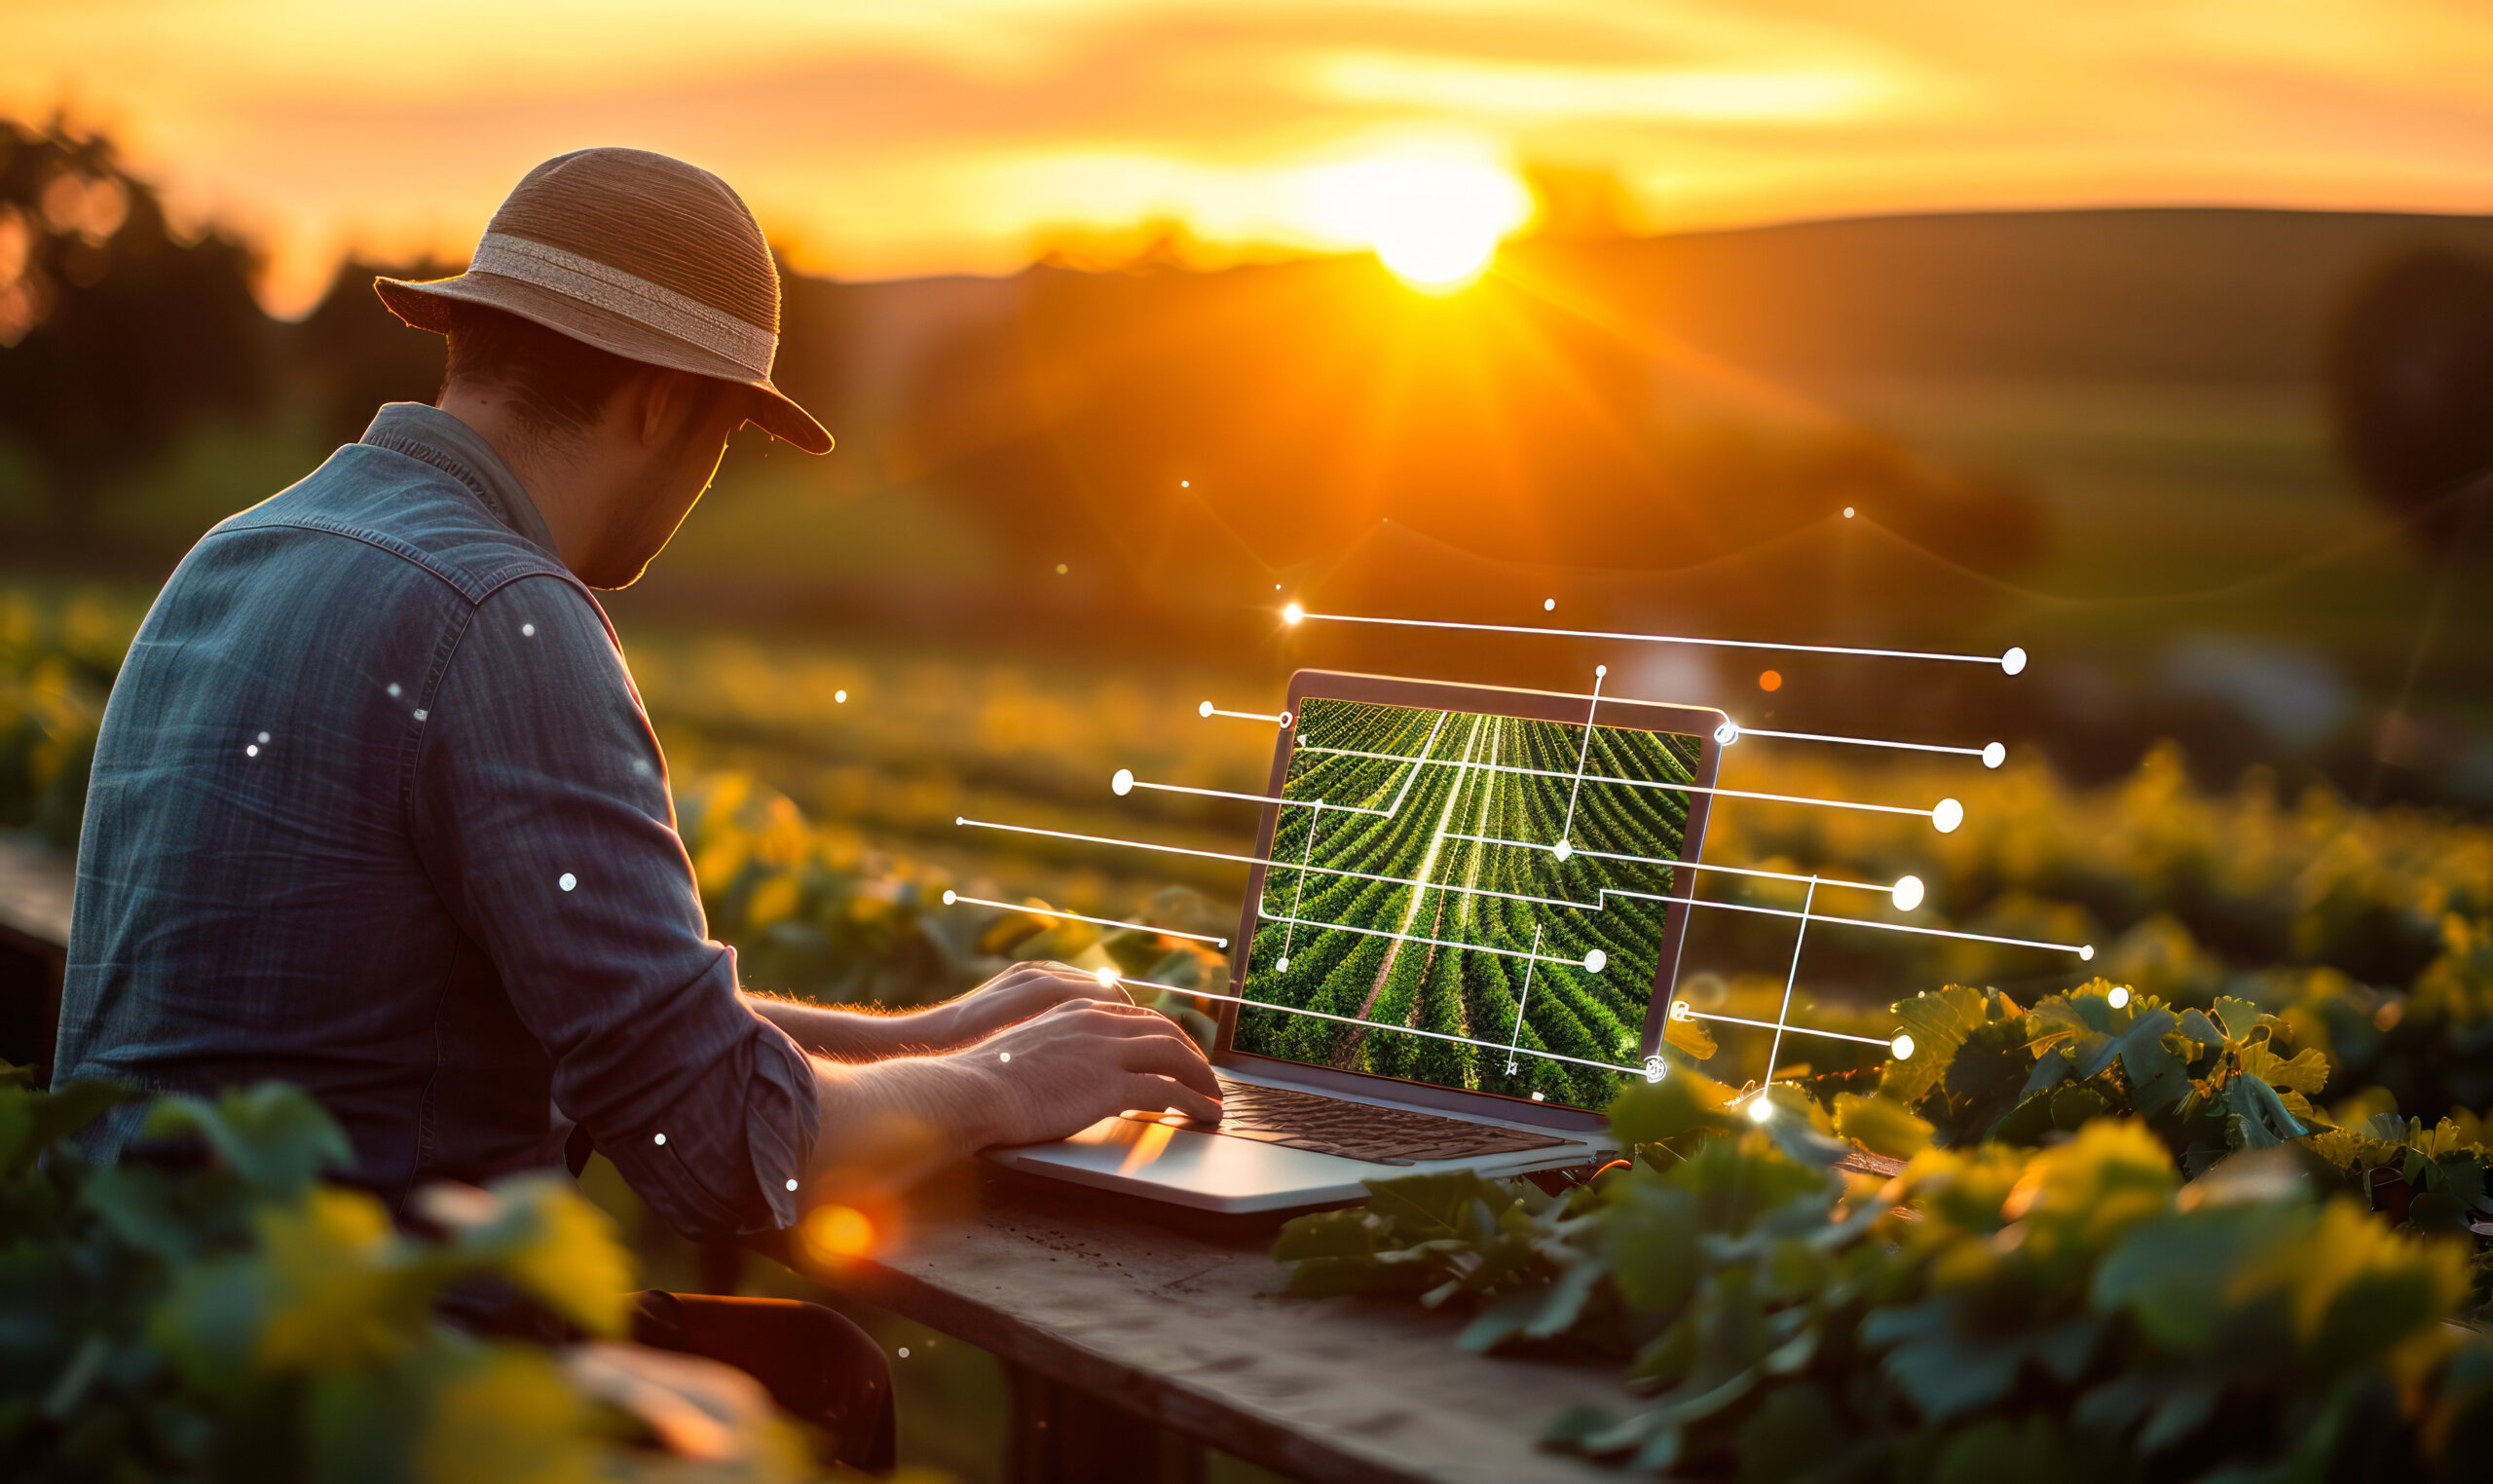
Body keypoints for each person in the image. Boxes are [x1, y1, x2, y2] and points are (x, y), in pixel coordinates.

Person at [49, 147, 1221, 1469]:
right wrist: (1005, 1084)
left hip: (145, 1354)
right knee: (810, 1402)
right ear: (665, 406)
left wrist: (934, 1035)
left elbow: (562, 1026)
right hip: (360, 1398)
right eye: (727, 434)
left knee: (814, 1374)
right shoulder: (505, 615)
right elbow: (707, 1140)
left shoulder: (240, 551)